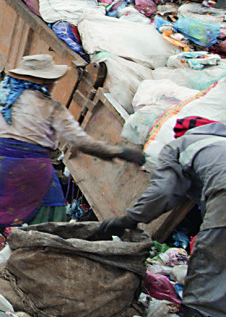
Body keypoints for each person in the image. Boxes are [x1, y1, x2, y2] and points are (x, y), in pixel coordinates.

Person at [0, 54, 146, 271]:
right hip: (36, 169)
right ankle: (42, 269)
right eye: (52, 80)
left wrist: (10, 124)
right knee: (53, 222)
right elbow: (81, 142)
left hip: (5, 166)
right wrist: (118, 152)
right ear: (45, 81)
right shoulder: (52, 107)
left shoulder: (1, 99)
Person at [96, 116, 226, 317]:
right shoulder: (217, 144)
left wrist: (129, 219)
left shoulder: (181, 145)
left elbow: (164, 192)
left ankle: (199, 312)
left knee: (208, 265)